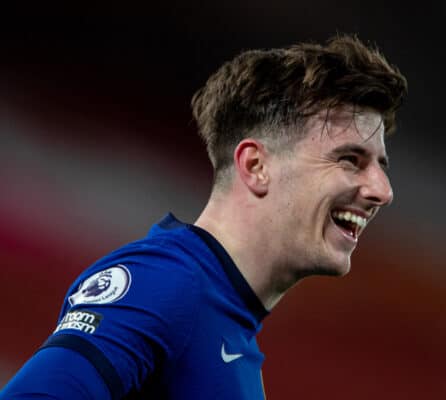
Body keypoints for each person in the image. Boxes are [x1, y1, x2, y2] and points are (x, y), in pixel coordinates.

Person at [0, 34, 407, 399]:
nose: (382, 191)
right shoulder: (165, 283)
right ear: (255, 165)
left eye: (381, 166)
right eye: (351, 160)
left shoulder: (227, 321)